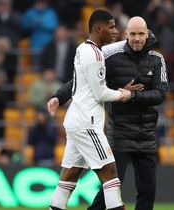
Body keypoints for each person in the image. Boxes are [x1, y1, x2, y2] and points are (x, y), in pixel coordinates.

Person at [48, 16, 168, 210]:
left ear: (148, 34)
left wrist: (131, 95)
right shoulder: (107, 55)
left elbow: (160, 94)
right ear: (126, 35)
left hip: (146, 134)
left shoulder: (156, 59)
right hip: (116, 131)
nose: (137, 38)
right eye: (132, 34)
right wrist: (60, 96)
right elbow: (88, 84)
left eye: (141, 34)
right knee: (110, 178)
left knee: (146, 191)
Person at [47, 10, 130, 210]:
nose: (115, 31)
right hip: (87, 123)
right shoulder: (94, 54)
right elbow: (100, 93)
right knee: (110, 174)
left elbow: (79, 83)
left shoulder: (82, 49)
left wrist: (59, 96)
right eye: (111, 27)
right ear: (99, 29)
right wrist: (122, 94)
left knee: (69, 176)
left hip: (76, 121)